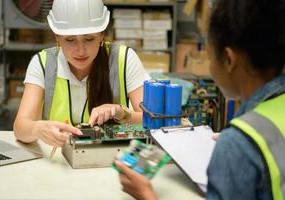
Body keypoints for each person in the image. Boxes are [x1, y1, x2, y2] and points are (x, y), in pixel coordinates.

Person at [115, 0, 285, 199]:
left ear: (229, 60)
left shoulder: (238, 144)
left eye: (210, 57)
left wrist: (146, 195)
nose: (210, 67)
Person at [13, 0, 150, 148]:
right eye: (70, 40)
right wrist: (37, 129)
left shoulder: (123, 59)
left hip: (111, 159)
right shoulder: (43, 64)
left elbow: (153, 121)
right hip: (59, 160)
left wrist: (121, 113)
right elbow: (20, 128)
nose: (80, 51)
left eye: (89, 39)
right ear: (57, 37)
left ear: (102, 35)